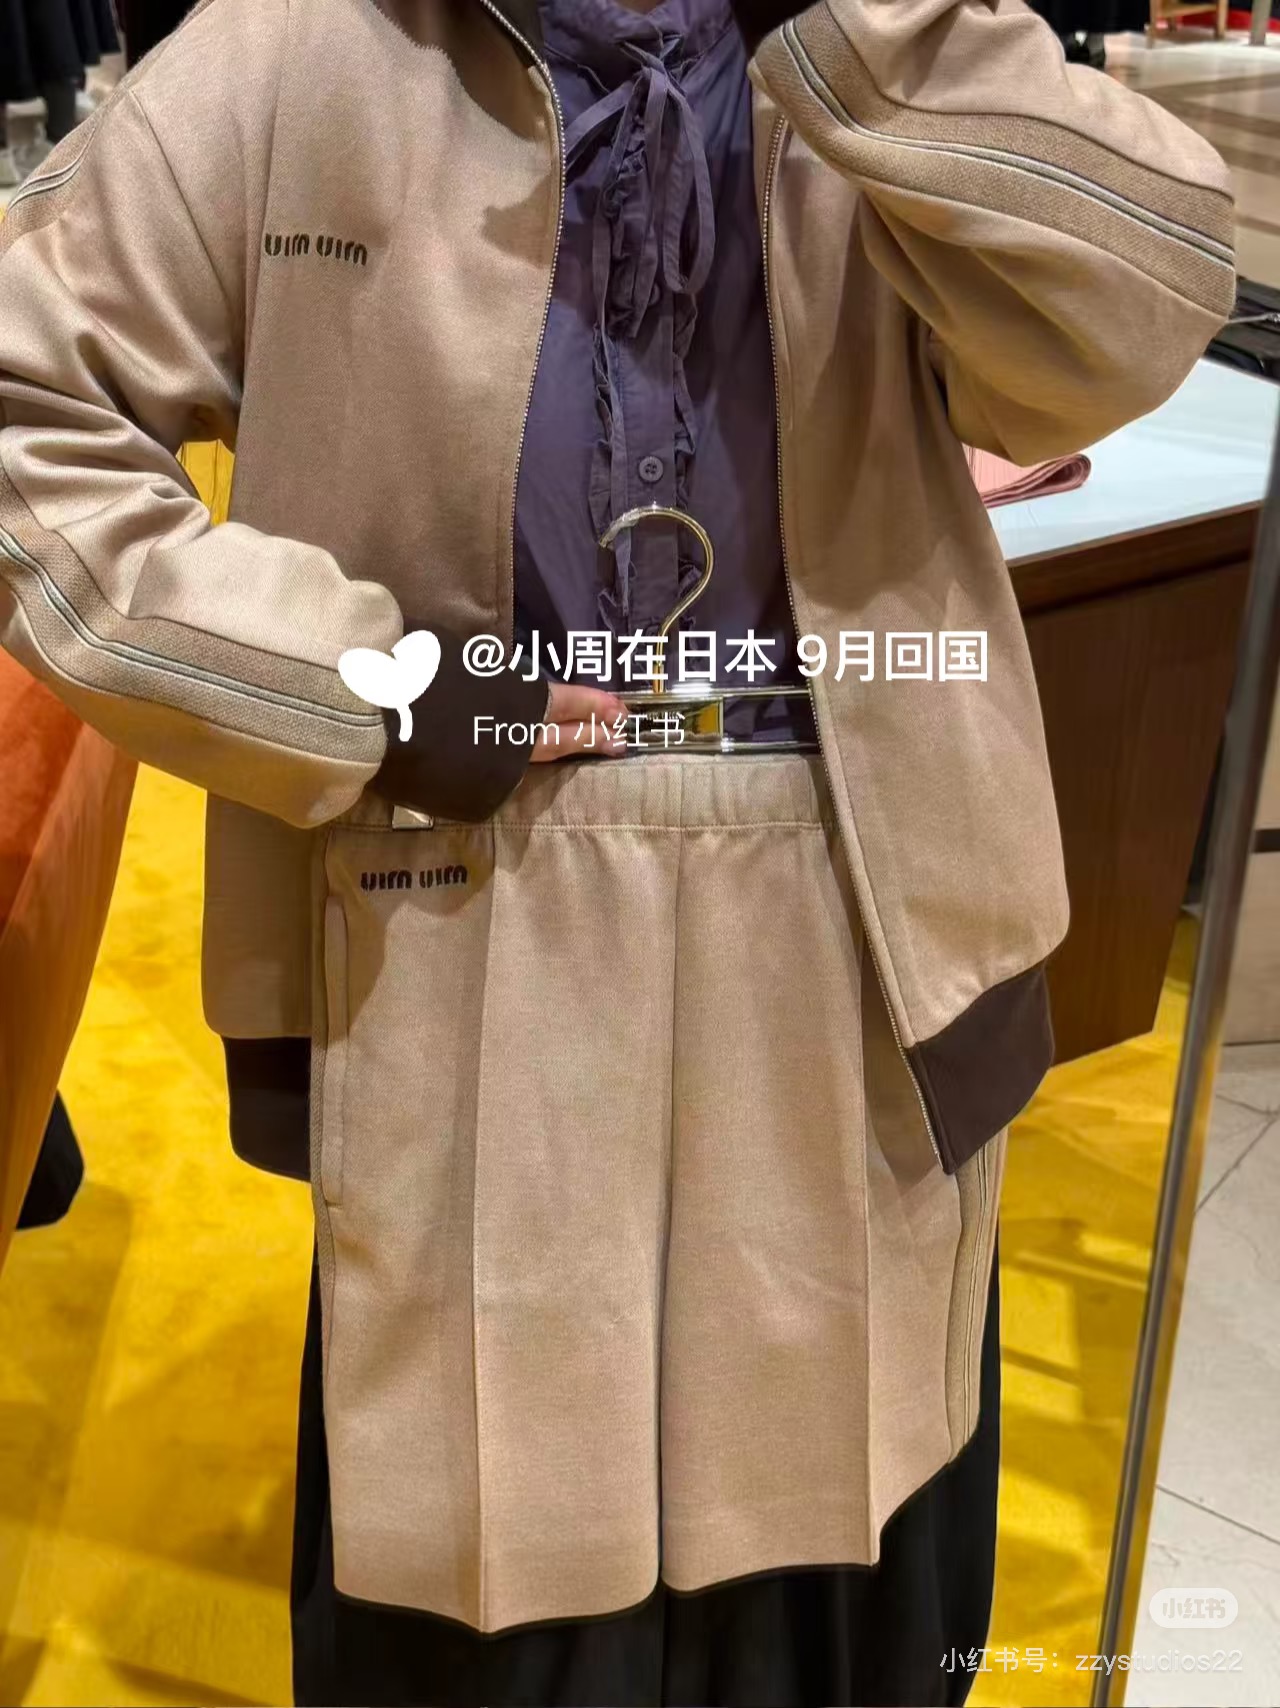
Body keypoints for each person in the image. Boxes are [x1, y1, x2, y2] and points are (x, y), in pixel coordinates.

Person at [0, 0, 1233, 1701]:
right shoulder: (298, 48)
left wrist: (866, 29)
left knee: (839, 1581)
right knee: (490, 1582)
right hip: (459, 921)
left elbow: (1144, 304)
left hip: (853, 920)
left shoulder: (873, 33)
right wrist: (365, 684)